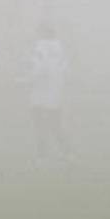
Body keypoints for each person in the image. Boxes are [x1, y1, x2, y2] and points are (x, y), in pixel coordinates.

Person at [23, 22, 71, 165]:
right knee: (55, 124)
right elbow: (65, 69)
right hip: (55, 92)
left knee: (39, 125)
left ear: (41, 33)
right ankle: (67, 153)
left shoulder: (39, 47)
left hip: (39, 93)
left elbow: (39, 69)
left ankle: (42, 156)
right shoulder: (60, 48)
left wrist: (26, 80)